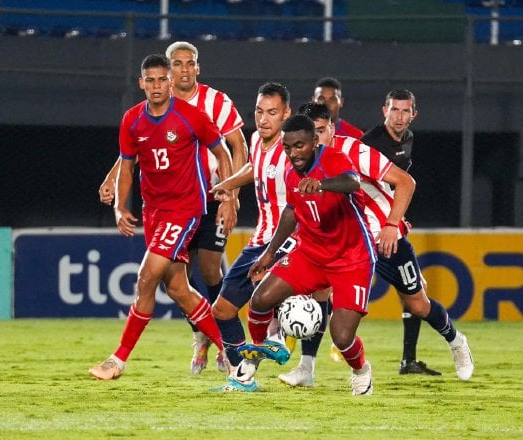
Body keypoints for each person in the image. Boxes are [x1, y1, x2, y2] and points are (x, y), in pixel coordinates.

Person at [277, 103, 475, 387]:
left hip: (383, 239)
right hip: (346, 245)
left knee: (418, 304)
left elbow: (405, 182)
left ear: (333, 127)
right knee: (319, 294)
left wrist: (392, 226)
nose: (316, 139)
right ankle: (306, 368)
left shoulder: (354, 152)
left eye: (322, 130)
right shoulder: (301, 161)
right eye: (312, 133)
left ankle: (456, 341)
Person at [98, 41, 247, 375]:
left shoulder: (205, 108)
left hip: (191, 206)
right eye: (151, 80)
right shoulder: (133, 119)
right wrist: (119, 207)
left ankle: (119, 358)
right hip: (154, 211)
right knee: (178, 288)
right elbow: (128, 160)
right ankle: (233, 353)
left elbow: (229, 148)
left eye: (186, 64)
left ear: (194, 68)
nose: (160, 83)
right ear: (143, 82)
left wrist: (229, 196)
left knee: (152, 276)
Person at [228, 114, 379, 395]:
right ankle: (256, 356)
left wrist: (321, 184)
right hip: (310, 253)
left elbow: (352, 182)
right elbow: (291, 211)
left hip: (352, 258)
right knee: (260, 300)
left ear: (313, 141)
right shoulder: (290, 171)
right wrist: (269, 254)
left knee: (343, 336)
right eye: (287, 147)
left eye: (299, 146)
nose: (293, 153)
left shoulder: (333, 160)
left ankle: (361, 370)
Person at [203, 82, 292, 391]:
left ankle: (277, 336)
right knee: (223, 310)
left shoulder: (293, 149)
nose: (264, 119)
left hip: (288, 241)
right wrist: (228, 184)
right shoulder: (256, 140)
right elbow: (256, 167)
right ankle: (244, 374)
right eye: (259, 111)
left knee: (265, 298)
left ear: (286, 114)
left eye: (272, 113)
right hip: (259, 240)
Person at [360, 88, 444, 375]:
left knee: (412, 290)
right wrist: (388, 223)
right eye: (394, 110)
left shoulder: (407, 139)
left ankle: (408, 360)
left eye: (405, 111)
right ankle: (303, 354)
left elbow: (396, 185)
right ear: (384, 110)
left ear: (414, 114)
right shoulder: (370, 143)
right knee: (334, 289)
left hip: (388, 225)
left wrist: (393, 220)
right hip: (367, 228)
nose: (399, 116)